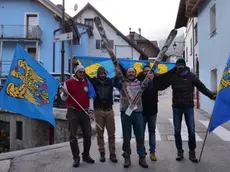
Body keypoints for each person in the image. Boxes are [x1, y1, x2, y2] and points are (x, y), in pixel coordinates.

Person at [162, 58, 216, 163]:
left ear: (184, 66)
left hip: (188, 107)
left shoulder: (191, 76)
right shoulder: (173, 77)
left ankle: (192, 152)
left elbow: (202, 87)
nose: (180, 66)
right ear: (176, 66)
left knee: (191, 131)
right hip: (176, 107)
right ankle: (180, 151)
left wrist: (211, 95)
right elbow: (162, 85)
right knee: (177, 131)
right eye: (178, 65)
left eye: (182, 64)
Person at [114, 67, 153, 169]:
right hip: (125, 112)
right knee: (126, 136)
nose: (131, 73)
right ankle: (127, 157)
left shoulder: (140, 83)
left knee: (140, 135)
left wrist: (150, 79)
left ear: (135, 73)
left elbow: (149, 89)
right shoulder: (122, 83)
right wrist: (117, 75)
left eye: (132, 72)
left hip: (138, 112)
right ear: (126, 74)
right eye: (129, 72)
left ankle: (142, 157)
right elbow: (114, 83)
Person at [60, 65, 96, 167]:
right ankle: (76, 158)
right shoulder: (68, 83)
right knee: (73, 136)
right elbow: (63, 98)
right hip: (73, 111)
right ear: (76, 73)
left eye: (83, 72)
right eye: (80, 72)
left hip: (84, 111)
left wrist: (91, 111)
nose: (82, 74)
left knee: (88, 135)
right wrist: (65, 93)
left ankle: (86, 155)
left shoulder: (87, 83)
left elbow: (91, 97)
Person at [137, 65, 174, 161]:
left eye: (149, 71)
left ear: (152, 72)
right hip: (141, 111)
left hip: (153, 111)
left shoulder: (156, 80)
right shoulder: (139, 80)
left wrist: (174, 74)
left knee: (152, 132)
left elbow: (166, 78)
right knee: (141, 133)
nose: (147, 72)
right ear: (143, 72)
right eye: (145, 71)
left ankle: (152, 152)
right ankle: (142, 152)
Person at [87, 66, 117, 163]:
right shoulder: (94, 82)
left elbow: (119, 76)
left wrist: (117, 67)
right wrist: (76, 64)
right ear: (97, 74)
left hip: (109, 110)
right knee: (100, 133)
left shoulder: (110, 81)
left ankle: (112, 153)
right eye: (100, 74)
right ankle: (102, 153)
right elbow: (85, 75)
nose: (102, 75)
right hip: (98, 110)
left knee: (111, 133)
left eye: (103, 73)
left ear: (106, 73)